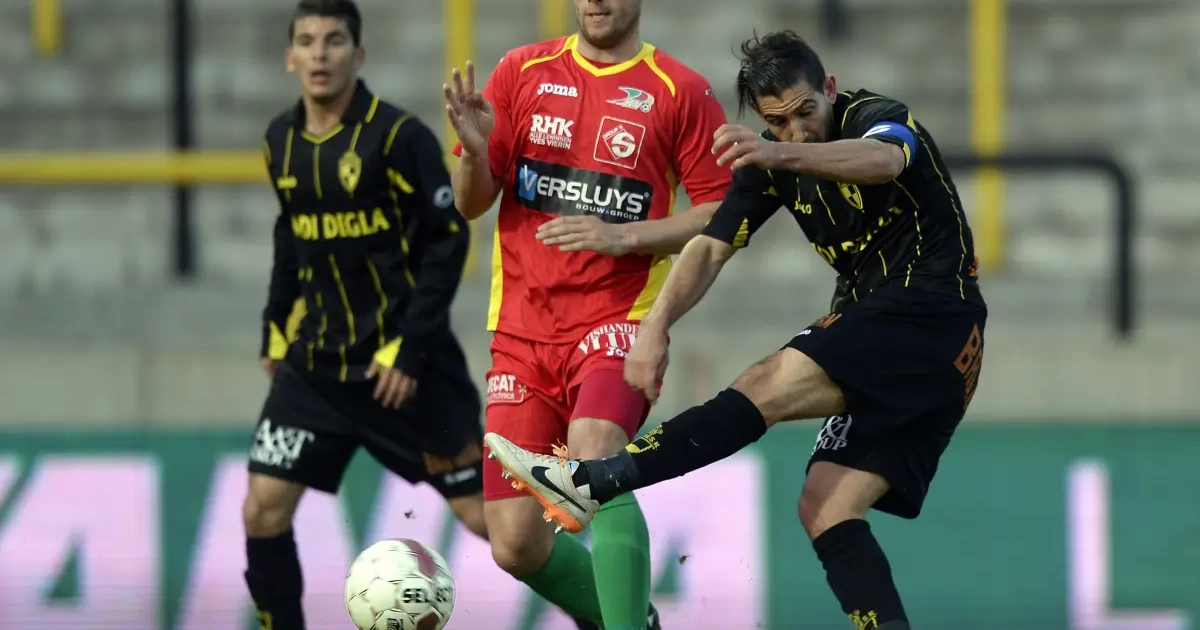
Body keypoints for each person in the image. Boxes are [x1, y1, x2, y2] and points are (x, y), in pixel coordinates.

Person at [484, 30, 987, 630]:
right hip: (927, 353)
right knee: (826, 505)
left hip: (929, 311)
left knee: (765, 383)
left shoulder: (872, 117)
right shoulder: (768, 162)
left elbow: (883, 162)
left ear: (830, 89)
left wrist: (776, 155)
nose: (798, 130)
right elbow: (709, 247)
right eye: (779, 122)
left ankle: (592, 481)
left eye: (806, 110)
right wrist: (656, 327)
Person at [245, 2, 596, 629]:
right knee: (262, 510)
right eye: (307, 41)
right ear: (289, 56)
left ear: (358, 55)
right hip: (317, 368)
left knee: (490, 520)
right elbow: (290, 236)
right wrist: (275, 323)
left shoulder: (397, 137)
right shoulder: (280, 140)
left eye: (334, 41)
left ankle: (609, 612)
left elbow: (448, 239)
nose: (320, 53)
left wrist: (407, 350)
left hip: (407, 370)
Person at [442, 0, 733, 627]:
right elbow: (471, 204)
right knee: (514, 543)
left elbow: (724, 212)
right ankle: (630, 617)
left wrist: (625, 236)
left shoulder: (679, 90)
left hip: (618, 321)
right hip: (522, 334)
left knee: (594, 453)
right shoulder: (521, 71)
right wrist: (472, 154)